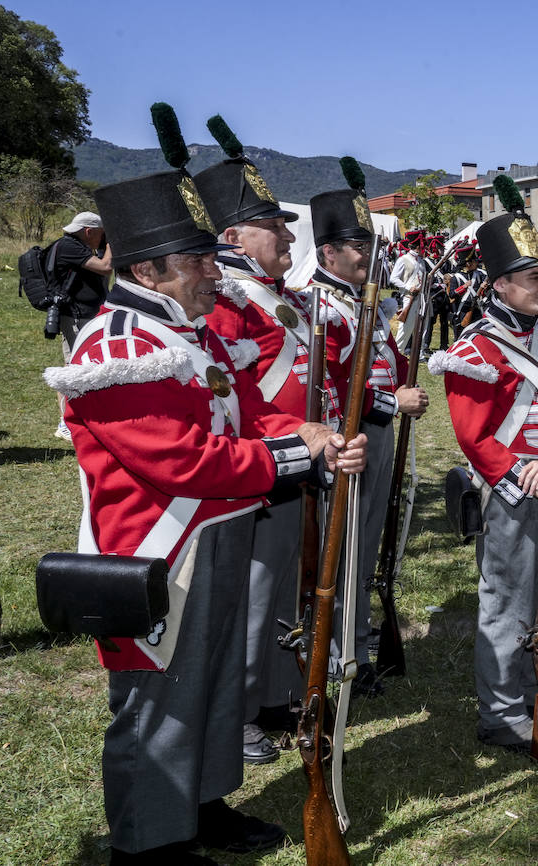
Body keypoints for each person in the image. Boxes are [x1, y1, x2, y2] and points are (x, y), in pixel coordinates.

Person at [43, 164, 366, 865]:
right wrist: (290, 459)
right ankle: (149, 842)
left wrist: (302, 431)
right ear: (152, 268)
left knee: (216, 679)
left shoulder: (190, 333)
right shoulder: (117, 347)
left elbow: (245, 409)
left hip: (216, 532)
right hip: (157, 551)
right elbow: (183, 460)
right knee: (159, 699)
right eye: (196, 261)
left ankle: (202, 803)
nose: (214, 275)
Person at [429, 194, 538, 753]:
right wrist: (528, 472)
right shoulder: (475, 348)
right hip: (510, 490)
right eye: (532, 277)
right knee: (506, 599)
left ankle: (536, 687)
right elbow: (474, 436)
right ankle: (501, 710)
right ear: (500, 284)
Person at [194, 128, 341, 765]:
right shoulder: (224, 300)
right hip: (265, 463)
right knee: (256, 595)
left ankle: (277, 692)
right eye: (272, 228)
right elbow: (235, 398)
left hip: (299, 460)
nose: (287, 237)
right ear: (231, 237)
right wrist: (290, 443)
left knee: (287, 587)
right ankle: (245, 706)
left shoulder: (280, 297)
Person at [306, 181, 430, 697]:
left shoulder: (363, 302)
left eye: (372, 247)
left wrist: (404, 384)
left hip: (373, 437)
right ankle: (338, 655)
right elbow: (330, 388)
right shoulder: (321, 306)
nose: (370, 257)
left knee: (366, 542)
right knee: (343, 547)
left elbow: (384, 364)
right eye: (361, 248)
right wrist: (391, 403)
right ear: (328, 252)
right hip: (346, 441)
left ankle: (354, 641)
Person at [48, 211, 113, 439]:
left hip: (84, 314)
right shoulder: (69, 247)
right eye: (102, 234)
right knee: (73, 365)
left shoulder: (79, 246)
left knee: (83, 362)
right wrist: (112, 243)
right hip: (75, 316)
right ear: (89, 231)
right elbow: (106, 268)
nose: (103, 239)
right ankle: (65, 422)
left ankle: (83, 415)